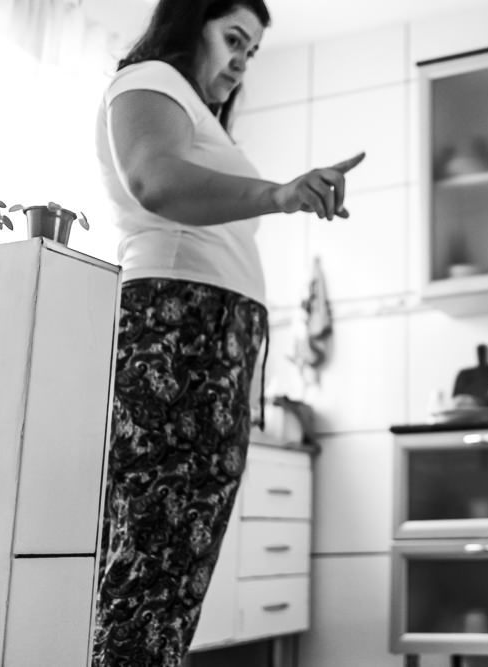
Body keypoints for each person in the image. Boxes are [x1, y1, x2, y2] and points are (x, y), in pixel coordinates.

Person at [91, 0, 364, 664]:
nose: (242, 60)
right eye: (233, 38)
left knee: (171, 577)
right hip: (177, 334)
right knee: (150, 573)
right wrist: (276, 194)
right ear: (191, 23)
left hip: (209, 342)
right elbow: (154, 180)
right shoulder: (150, 81)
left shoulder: (195, 113)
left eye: (253, 49)